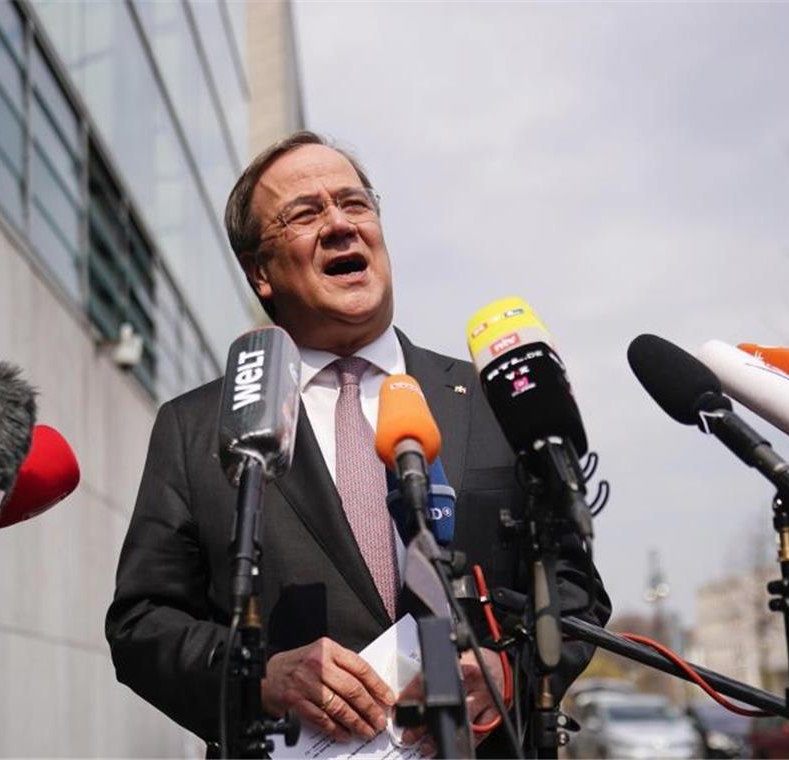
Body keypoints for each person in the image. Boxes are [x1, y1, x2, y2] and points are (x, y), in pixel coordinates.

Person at [105, 131, 611, 757]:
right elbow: (140, 625)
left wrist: (512, 671)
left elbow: (574, 587)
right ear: (260, 273)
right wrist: (258, 677)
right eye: (305, 213)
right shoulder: (196, 426)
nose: (341, 225)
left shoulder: (489, 400)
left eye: (355, 203)